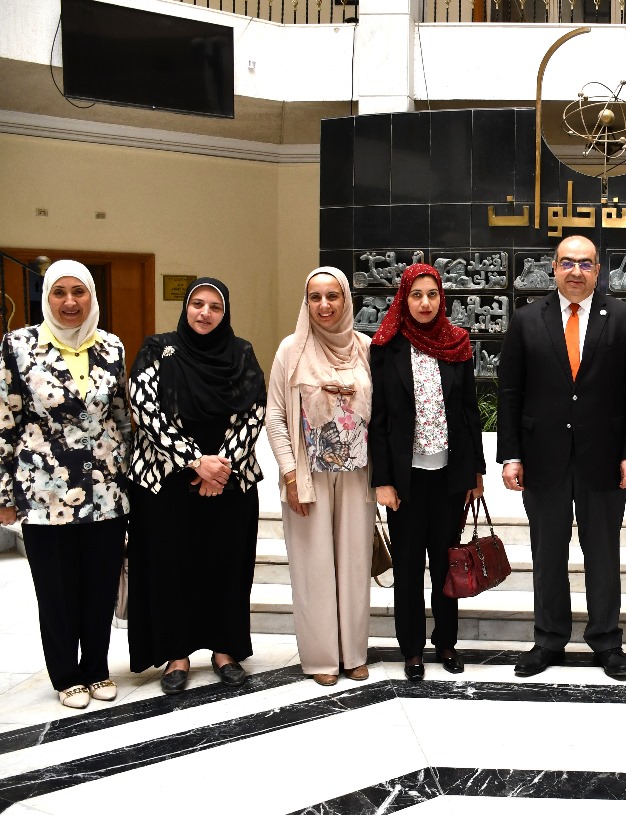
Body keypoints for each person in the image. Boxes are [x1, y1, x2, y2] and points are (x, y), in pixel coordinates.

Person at [496, 235, 626, 680]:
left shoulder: (624, 318)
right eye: (567, 263)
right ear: (553, 267)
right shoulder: (527, 319)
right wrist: (510, 455)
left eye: (585, 263)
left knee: (602, 553)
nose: (576, 271)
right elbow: (510, 392)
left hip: (604, 459)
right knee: (547, 554)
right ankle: (548, 638)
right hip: (542, 458)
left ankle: (606, 640)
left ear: (598, 270)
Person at [0, 261, 130, 709]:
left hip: (105, 492)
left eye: (79, 292)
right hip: (44, 492)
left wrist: (129, 480)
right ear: (46, 297)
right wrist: (4, 495)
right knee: (56, 590)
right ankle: (66, 675)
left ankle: (95, 668)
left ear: (92, 296)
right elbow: (5, 421)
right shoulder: (18, 345)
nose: (70, 302)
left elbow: (121, 418)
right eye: (60, 292)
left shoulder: (111, 345)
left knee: (100, 586)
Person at [126, 278, 266, 695]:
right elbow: (144, 409)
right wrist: (195, 462)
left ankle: (225, 650)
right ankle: (177, 654)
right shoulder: (157, 348)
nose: (205, 313)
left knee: (226, 565)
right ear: (186, 307)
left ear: (225, 313)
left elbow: (255, 409)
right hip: (166, 483)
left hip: (230, 481)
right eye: (197, 304)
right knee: (171, 567)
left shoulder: (241, 352)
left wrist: (219, 468)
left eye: (215, 307)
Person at [369, 263, 485, 681]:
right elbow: (379, 420)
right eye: (416, 295)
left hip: (449, 479)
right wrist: (383, 480)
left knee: (446, 564)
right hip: (406, 482)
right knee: (407, 567)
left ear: (442, 298)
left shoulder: (457, 343)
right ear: (404, 298)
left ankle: (446, 642)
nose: (424, 303)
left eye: (432, 294)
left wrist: (475, 472)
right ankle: (413, 649)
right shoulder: (387, 347)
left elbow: (469, 412)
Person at [266, 268, 376, 686]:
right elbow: (276, 416)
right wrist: (291, 475)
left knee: (354, 566)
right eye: (315, 297)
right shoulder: (290, 350)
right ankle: (321, 658)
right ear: (306, 302)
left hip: (357, 476)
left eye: (333, 296)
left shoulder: (365, 348)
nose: (324, 305)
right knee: (313, 568)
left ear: (346, 299)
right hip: (308, 474)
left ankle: (353, 654)